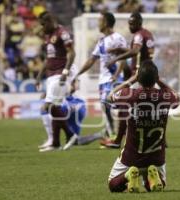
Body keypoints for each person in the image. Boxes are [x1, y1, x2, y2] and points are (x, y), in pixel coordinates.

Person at [107, 60, 180, 193]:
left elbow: (109, 96)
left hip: (131, 156)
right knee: (158, 185)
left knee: (113, 185)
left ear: (139, 78)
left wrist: (131, 79)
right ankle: (152, 176)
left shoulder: (130, 94)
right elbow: (178, 98)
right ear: (156, 78)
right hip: (156, 157)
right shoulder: (165, 95)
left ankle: (128, 175)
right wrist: (160, 81)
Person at [102, 11, 155, 148]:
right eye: (129, 24)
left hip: (139, 75)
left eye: (132, 24)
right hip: (149, 73)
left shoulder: (138, 35)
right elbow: (138, 51)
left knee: (124, 105)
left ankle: (118, 140)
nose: (130, 26)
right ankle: (158, 139)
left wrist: (116, 58)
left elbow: (135, 51)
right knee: (146, 108)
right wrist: (121, 50)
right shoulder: (147, 34)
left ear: (139, 23)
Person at [74, 12, 128, 139]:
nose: (98, 23)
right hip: (103, 80)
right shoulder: (101, 42)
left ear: (106, 22)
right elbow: (91, 60)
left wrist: (117, 74)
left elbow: (124, 58)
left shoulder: (118, 38)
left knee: (113, 104)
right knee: (107, 106)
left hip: (115, 78)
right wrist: (78, 73)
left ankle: (120, 132)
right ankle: (113, 133)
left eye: (100, 20)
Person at [36, 11, 78, 152]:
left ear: (50, 21)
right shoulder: (48, 36)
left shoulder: (62, 33)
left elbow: (72, 53)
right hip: (51, 74)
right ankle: (62, 139)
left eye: (43, 24)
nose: (42, 28)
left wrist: (65, 72)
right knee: (51, 107)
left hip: (61, 73)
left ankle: (61, 139)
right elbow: (48, 59)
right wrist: (39, 75)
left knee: (48, 106)